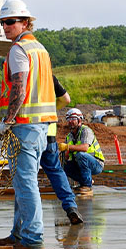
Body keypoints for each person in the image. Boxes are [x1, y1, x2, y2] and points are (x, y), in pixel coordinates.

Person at [0, 0, 57, 249]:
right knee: (22, 181)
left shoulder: (19, 50)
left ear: (25, 22)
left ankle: (31, 238)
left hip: (25, 126)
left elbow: (19, 87)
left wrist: (7, 122)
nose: (6, 27)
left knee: (26, 182)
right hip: (40, 127)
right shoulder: (39, 49)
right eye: (3, 23)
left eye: (10, 22)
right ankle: (19, 232)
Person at [42, 75, 84, 225]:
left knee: (26, 177)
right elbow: (66, 99)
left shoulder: (23, 74)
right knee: (56, 171)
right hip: (49, 135)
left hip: (29, 134)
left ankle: (24, 226)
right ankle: (70, 206)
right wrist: (52, 109)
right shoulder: (49, 78)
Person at [62, 107, 105, 195]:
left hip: (96, 163)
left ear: (79, 120)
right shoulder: (69, 136)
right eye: (69, 119)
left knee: (80, 154)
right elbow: (68, 157)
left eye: (73, 119)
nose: (70, 121)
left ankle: (87, 186)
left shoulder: (86, 131)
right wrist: (64, 154)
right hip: (81, 163)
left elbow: (85, 148)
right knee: (64, 166)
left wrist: (67, 146)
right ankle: (86, 181)